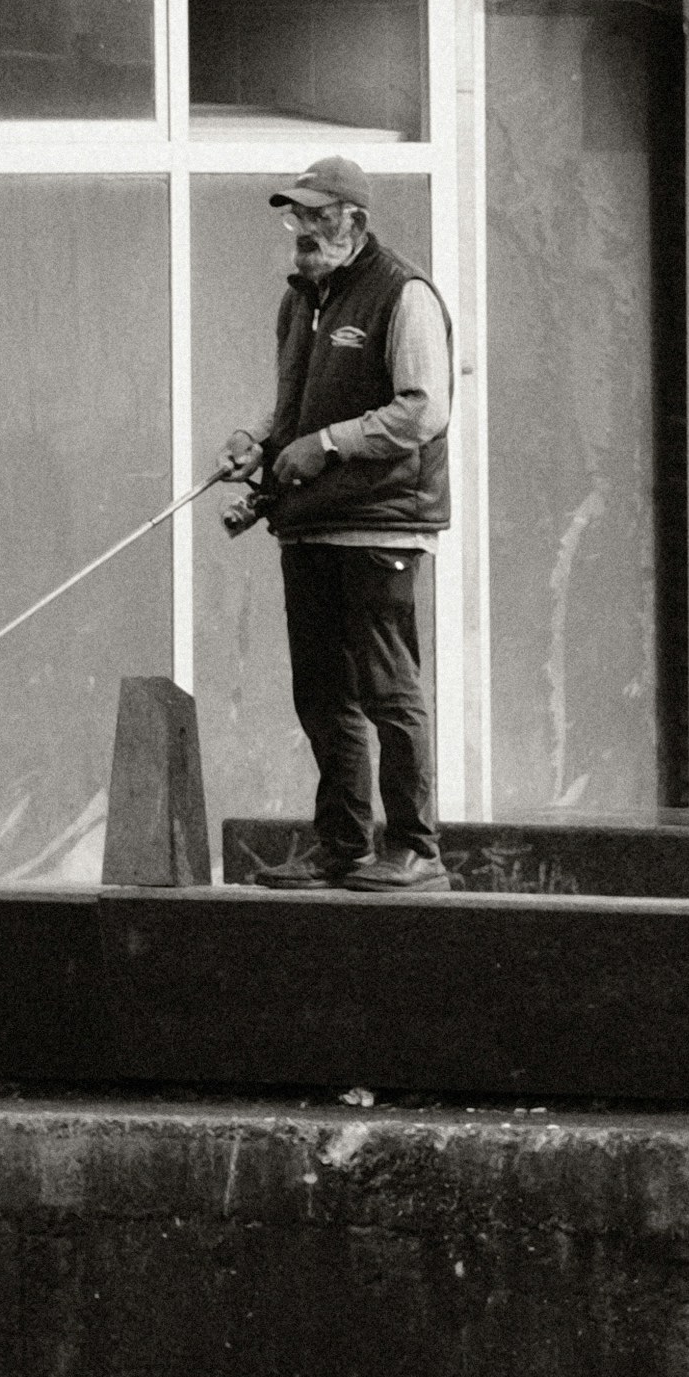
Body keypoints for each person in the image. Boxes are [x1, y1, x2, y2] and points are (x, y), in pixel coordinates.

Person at [222, 153, 453, 893]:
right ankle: (343, 847)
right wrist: (258, 442)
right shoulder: (299, 301)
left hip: (381, 522)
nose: (303, 229)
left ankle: (415, 848)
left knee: (389, 690)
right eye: (296, 215)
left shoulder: (404, 293)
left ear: (356, 220)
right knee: (322, 696)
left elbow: (423, 410)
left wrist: (323, 445)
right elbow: (295, 405)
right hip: (309, 524)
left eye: (318, 215)